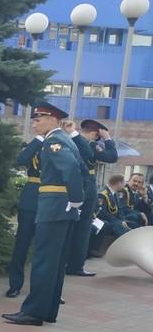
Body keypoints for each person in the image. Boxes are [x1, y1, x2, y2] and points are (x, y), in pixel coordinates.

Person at [3, 103, 84, 326]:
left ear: (52, 120)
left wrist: (76, 198)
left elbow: (71, 170)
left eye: (38, 119)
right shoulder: (65, 139)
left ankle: (33, 312)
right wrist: (75, 201)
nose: (34, 124)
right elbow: (81, 170)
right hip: (62, 207)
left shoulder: (54, 141)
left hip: (53, 206)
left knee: (43, 261)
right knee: (55, 263)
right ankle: (48, 310)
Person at [65, 119, 118, 277]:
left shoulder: (68, 141)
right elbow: (112, 156)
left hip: (73, 186)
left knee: (73, 226)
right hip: (86, 188)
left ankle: (67, 263)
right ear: (95, 134)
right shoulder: (90, 145)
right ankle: (75, 266)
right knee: (82, 228)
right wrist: (108, 139)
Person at [5, 132, 44, 297]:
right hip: (31, 199)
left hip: (53, 202)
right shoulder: (35, 146)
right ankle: (15, 284)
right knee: (22, 244)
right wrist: (40, 138)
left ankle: (46, 288)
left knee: (47, 249)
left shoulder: (62, 145)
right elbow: (21, 160)